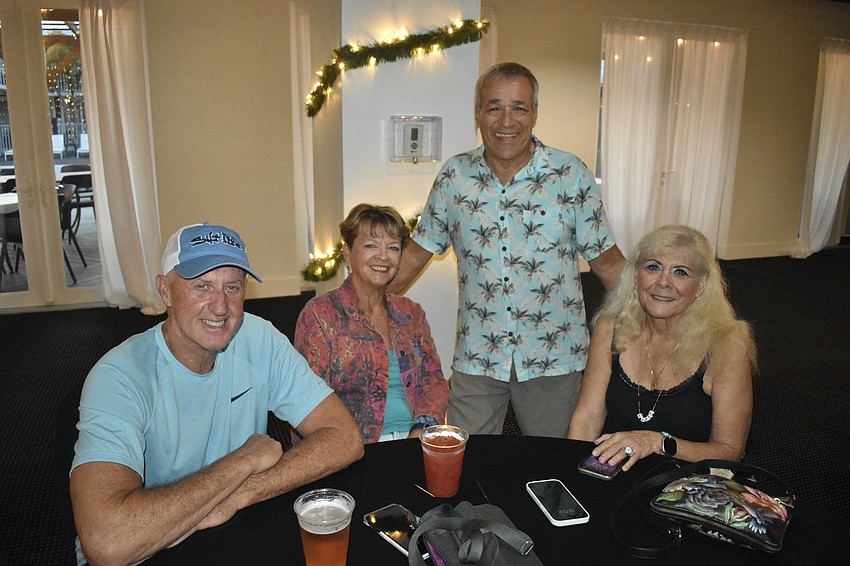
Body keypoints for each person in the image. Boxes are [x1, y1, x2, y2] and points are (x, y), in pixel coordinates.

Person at [70, 223, 363, 565]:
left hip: (227, 530)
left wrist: (240, 492)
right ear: (165, 291)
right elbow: (108, 542)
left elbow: (345, 438)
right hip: (151, 549)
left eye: (232, 287)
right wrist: (242, 461)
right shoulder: (119, 377)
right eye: (202, 286)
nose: (220, 306)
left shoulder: (259, 339)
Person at [390, 62, 624, 437]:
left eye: (519, 107)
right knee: (465, 463)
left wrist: (656, 320)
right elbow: (416, 253)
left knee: (552, 467)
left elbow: (608, 263)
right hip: (479, 355)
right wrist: (358, 307)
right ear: (478, 113)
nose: (506, 120)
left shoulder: (570, 174)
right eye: (494, 106)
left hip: (554, 358)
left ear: (534, 114)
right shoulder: (455, 177)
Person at [567, 225, 756, 471]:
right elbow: (588, 417)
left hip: (686, 485)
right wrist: (569, 474)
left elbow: (730, 451)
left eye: (681, 272)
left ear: (701, 285)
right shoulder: (611, 327)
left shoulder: (725, 345)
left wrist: (658, 443)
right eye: (653, 267)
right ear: (635, 275)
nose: (664, 282)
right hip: (613, 474)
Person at [295, 204, 449, 443]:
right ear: (347, 252)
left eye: (393, 248)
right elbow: (307, 400)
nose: (383, 256)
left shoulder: (411, 313)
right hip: (351, 449)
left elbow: (434, 384)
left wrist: (421, 430)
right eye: (370, 245)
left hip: (416, 440)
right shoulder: (320, 315)